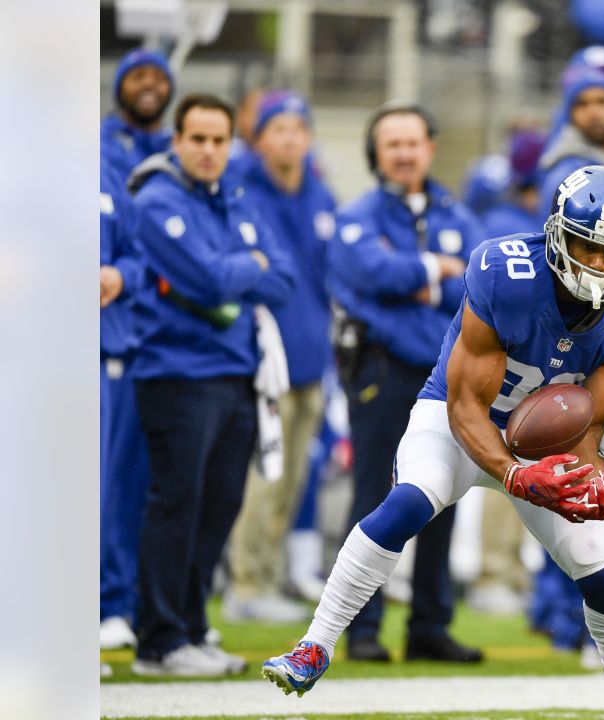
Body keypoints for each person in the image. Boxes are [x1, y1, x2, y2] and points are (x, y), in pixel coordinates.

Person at [263, 166, 604, 720]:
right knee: (412, 498)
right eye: (586, 245)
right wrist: (512, 474)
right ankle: (314, 645)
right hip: (464, 418)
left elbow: (594, 409)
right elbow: (464, 407)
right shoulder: (507, 272)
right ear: (556, 233)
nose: (598, 264)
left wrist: (590, 466)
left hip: (550, 440)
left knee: (600, 564)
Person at [127, 93, 297, 676]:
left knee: (219, 506)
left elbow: (287, 278)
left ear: (232, 146)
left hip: (237, 375)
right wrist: (248, 266)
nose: (207, 150)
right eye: (196, 138)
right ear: (176, 142)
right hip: (177, 373)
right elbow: (204, 278)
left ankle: (193, 627)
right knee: (177, 502)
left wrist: (237, 271)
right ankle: (159, 640)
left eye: (218, 140)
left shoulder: (237, 200)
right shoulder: (156, 201)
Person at [326, 101, 485, 663]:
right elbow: (368, 275)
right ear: (376, 153)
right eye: (392, 143)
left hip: (447, 379)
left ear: (429, 147)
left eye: (412, 142)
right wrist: (431, 269)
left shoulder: (455, 212)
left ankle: (429, 626)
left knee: (448, 493)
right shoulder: (358, 215)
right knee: (375, 495)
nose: (403, 153)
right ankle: (362, 627)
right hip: (382, 373)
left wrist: (419, 276)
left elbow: (475, 288)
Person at [224, 91, 338, 623]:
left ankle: (271, 577)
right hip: (267, 359)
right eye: (279, 129)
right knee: (262, 478)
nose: (289, 138)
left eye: (298, 128)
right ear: (260, 137)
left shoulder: (320, 194)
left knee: (294, 479)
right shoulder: (243, 191)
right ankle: (246, 585)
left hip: (313, 358)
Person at [99, 47, 174, 649]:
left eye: (158, 76)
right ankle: (105, 602)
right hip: (117, 343)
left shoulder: (181, 150)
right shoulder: (99, 152)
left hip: (168, 346)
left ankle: (142, 605)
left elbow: (135, 250)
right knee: (108, 481)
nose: (149, 85)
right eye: (138, 75)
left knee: (155, 486)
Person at [99, 153, 146, 655]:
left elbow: (135, 254)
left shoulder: (105, 172)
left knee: (95, 492)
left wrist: (119, 276)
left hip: (97, 353)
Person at [537, 71, 604, 214]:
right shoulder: (566, 176)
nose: (593, 112)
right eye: (583, 104)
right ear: (570, 113)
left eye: (602, 101)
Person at [102, 48, 175, 181]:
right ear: (120, 89)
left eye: (159, 79)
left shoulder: (179, 146)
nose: (149, 84)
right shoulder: (101, 145)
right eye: (138, 76)